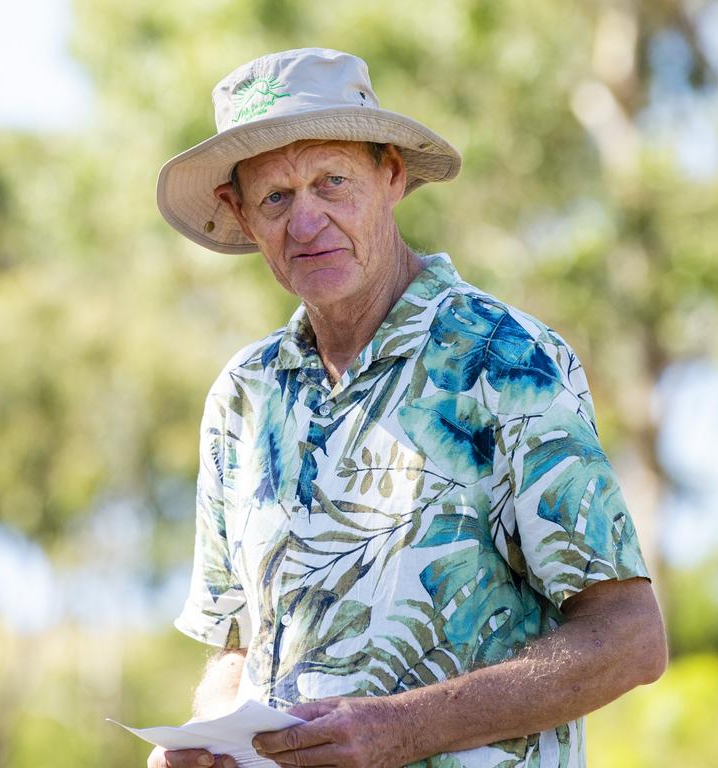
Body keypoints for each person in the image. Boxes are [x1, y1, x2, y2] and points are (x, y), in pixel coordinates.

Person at [151, 48, 666, 768]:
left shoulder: (505, 360)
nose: (307, 224)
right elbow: (238, 645)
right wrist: (206, 737)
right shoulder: (244, 395)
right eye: (276, 199)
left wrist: (405, 728)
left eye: (333, 183)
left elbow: (630, 640)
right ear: (238, 214)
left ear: (391, 174)